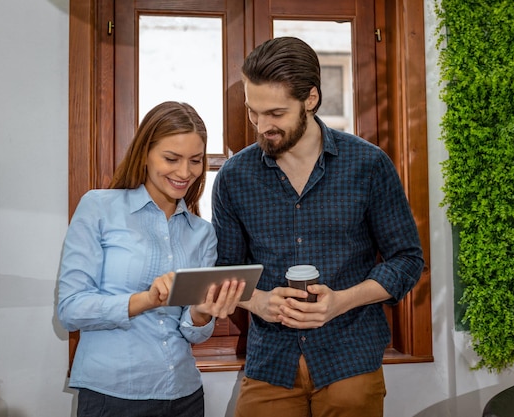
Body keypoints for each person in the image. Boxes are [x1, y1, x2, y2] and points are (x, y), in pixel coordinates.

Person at [211, 37, 425, 417]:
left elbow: (407, 260)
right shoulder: (233, 176)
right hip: (270, 364)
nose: (262, 127)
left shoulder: (369, 164)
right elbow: (226, 272)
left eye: (275, 113)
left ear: (310, 99)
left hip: (351, 357)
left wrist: (341, 301)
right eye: (253, 112)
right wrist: (258, 301)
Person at [58, 101, 245, 417]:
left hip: (184, 396)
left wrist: (201, 313)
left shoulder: (202, 233)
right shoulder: (99, 208)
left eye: (195, 161)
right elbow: (71, 309)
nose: (185, 172)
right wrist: (147, 299)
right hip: (111, 396)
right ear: (144, 153)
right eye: (171, 158)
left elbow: (193, 331)